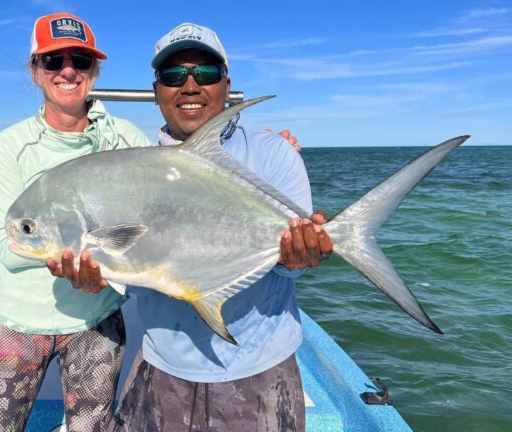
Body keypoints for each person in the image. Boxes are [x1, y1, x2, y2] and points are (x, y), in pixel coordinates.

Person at [49, 23, 332, 431]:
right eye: (173, 75)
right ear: (157, 91)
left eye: (206, 73)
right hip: (162, 364)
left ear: (227, 84)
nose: (190, 85)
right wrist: (99, 280)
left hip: (259, 367)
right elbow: (138, 268)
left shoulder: (274, 154)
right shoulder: (132, 169)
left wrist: (299, 256)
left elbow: (288, 266)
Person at [0, 12, 151, 432]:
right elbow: (9, 250)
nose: (67, 70)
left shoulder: (127, 140)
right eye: (53, 61)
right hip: (17, 323)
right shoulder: (10, 146)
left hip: (96, 321)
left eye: (80, 61)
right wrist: (88, 255)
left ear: (95, 70)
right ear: (36, 71)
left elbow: (174, 185)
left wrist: (263, 146)